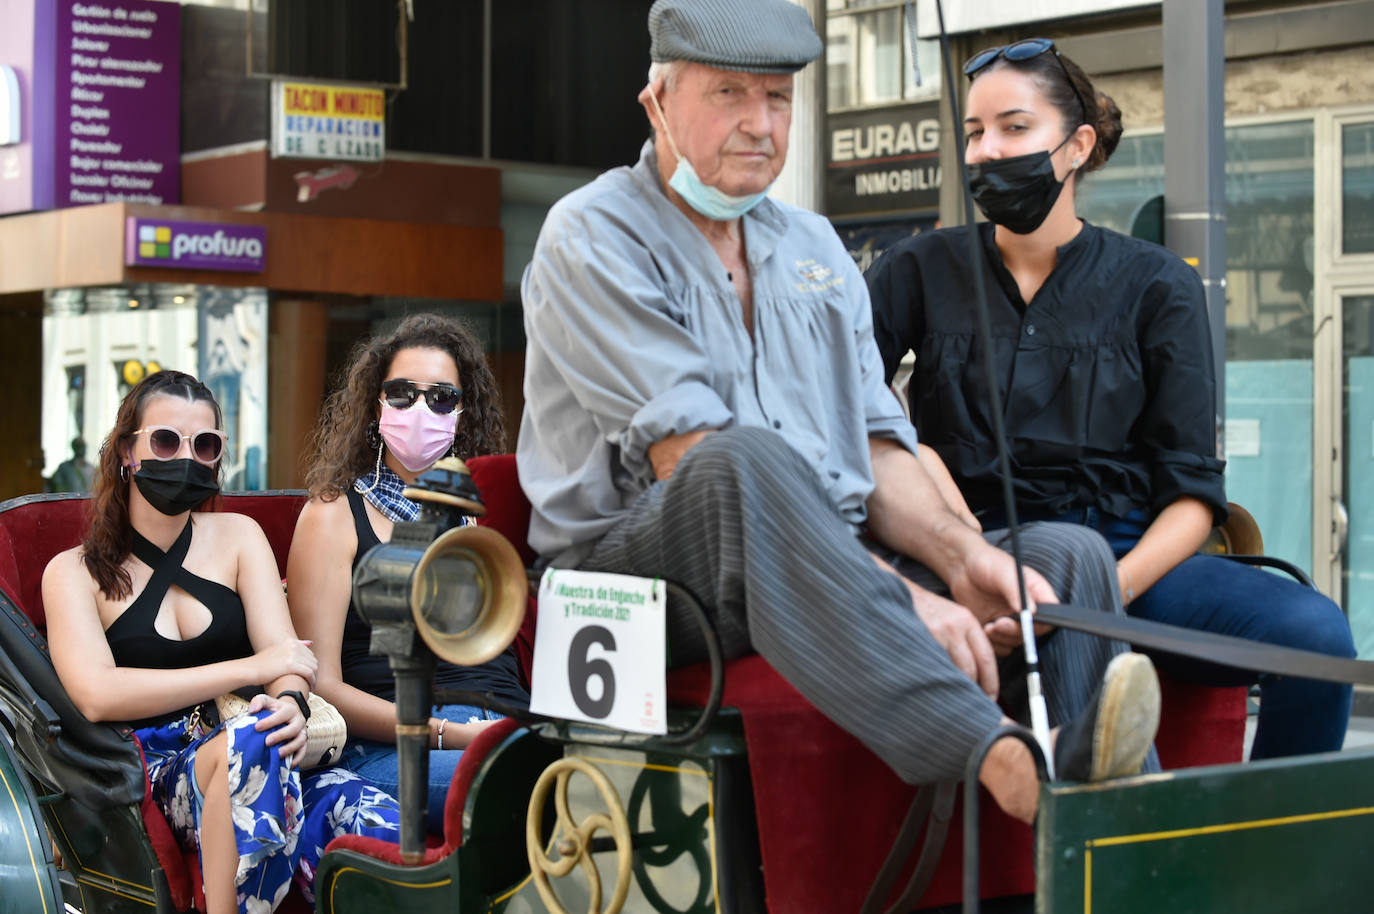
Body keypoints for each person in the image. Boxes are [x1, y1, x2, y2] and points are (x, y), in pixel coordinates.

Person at [517, 0, 1163, 827]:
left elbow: (877, 443)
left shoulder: (817, 245)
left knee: (1062, 556)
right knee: (743, 462)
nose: (759, 124)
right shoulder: (591, 233)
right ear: (658, 101)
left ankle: (1124, 844)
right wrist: (899, 596)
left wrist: (963, 561)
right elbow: (694, 457)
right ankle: (1010, 765)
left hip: (812, 565)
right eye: (728, 96)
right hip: (633, 586)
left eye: (778, 98)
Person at [865, 39, 1356, 759]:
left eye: (1014, 127)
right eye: (974, 133)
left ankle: (1267, 857)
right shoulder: (913, 269)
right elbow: (837, 408)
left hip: (1127, 559)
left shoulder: (1158, 285)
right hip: (968, 550)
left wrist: (1096, 596)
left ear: (1076, 144)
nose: (988, 152)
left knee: (1317, 637)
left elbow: (1192, 494)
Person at [41, 370, 400, 914]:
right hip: (153, 767)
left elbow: (288, 660)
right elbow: (97, 693)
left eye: (204, 445)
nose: (185, 456)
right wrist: (246, 670)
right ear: (126, 452)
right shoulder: (73, 572)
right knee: (249, 742)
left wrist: (290, 704)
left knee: (378, 821)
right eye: (165, 441)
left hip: (263, 742)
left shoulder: (239, 537)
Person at [288, 313, 529, 833]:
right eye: (402, 394)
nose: (421, 409)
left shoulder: (488, 511)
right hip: (394, 743)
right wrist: (446, 733)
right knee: (525, 788)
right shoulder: (333, 515)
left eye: (442, 397)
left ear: (462, 415)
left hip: (508, 724)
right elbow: (321, 684)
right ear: (376, 408)